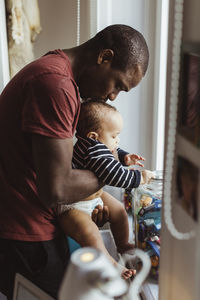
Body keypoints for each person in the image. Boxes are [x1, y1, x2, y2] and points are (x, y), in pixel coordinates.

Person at [0, 24, 149, 298]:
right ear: (104, 57)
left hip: (33, 220)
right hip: (23, 231)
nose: (113, 97)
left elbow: (61, 168)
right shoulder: (55, 85)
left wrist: (92, 194)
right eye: (118, 85)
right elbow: (56, 188)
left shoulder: (56, 73)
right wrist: (114, 172)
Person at [58, 100, 154, 279]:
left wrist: (124, 158)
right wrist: (139, 178)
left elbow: (111, 152)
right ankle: (112, 263)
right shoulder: (93, 149)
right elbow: (112, 174)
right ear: (94, 136)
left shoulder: (94, 145)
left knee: (118, 210)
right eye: (114, 135)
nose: (117, 140)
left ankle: (123, 245)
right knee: (90, 234)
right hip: (72, 206)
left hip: (92, 196)